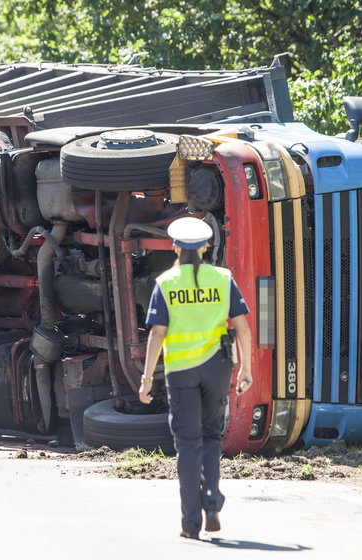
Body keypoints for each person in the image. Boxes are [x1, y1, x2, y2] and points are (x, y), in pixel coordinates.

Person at [138, 216, 253, 540]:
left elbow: (157, 333)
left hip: (181, 371)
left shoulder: (167, 282)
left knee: (187, 444)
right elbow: (242, 327)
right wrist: (246, 368)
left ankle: (191, 524)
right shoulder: (223, 278)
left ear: (175, 247)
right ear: (204, 247)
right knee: (212, 438)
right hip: (217, 366)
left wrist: (147, 377)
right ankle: (212, 501)